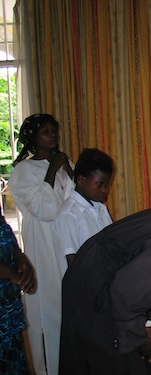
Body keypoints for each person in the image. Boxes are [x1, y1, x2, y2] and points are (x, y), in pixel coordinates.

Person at [59, 205, 151, 375]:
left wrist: (147, 324)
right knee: (107, 359)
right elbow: (125, 293)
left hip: (106, 278)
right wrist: (139, 338)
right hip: (95, 283)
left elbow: (143, 280)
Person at [9, 113, 75, 375]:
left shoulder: (64, 161)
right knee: (49, 300)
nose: (53, 135)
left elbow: (75, 198)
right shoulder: (23, 171)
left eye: (54, 130)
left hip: (64, 236)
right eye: (47, 131)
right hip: (42, 239)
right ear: (33, 138)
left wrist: (67, 168)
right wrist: (51, 170)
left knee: (69, 295)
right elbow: (41, 208)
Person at [53, 148, 114, 273]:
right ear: (81, 180)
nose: (104, 190)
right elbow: (73, 262)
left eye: (107, 184)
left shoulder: (100, 208)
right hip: (85, 285)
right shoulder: (69, 215)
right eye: (100, 184)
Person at [0, 210, 36, 375]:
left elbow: (4, 229)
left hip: (6, 304)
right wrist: (12, 275)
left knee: (13, 360)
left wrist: (20, 257)